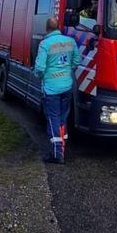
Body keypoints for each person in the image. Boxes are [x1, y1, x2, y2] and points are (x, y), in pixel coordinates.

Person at [33, 18, 82, 163]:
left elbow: (40, 68)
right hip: (67, 86)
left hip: (51, 88)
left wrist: (41, 75)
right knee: (62, 118)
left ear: (46, 28)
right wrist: (66, 71)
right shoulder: (70, 41)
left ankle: (56, 153)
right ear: (58, 27)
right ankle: (62, 148)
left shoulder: (45, 44)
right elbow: (77, 61)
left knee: (53, 118)